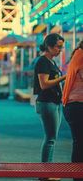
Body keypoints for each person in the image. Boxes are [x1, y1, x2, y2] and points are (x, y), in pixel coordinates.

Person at [33, 33, 66, 168]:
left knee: (52, 138)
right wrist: (64, 77)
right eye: (58, 47)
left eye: (61, 47)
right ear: (49, 46)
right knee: (50, 138)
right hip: (47, 102)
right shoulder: (43, 61)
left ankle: (47, 170)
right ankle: (45, 170)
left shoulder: (51, 61)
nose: (60, 50)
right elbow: (44, 84)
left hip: (54, 102)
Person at [62, 40, 83, 181]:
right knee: (80, 143)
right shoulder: (81, 56)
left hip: (74, 105)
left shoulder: (78, 54)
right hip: (77, 105)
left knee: (79, 142)